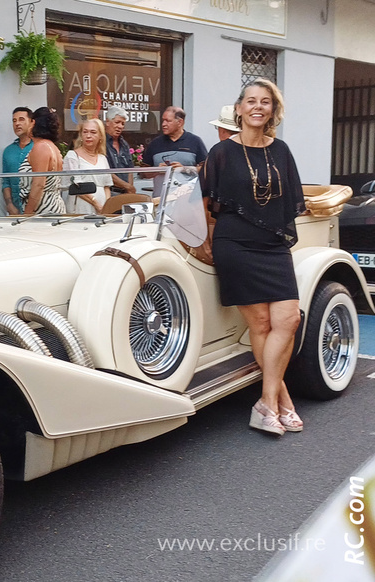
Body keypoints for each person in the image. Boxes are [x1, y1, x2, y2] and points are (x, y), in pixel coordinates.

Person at [199, 78, 306, 436]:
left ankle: (268, 402)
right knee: (260, 324)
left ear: (273, 110)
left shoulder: (281, 150)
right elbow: (203, 200)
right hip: (236, 245)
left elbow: (290, 200)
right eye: (251, 101)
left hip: (273, 245)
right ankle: (280, 404)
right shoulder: (223, 152)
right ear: (239, 108)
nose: (258, 107)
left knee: (288, 320)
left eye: (265, 102)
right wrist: (205, 240)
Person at [19, 107, 65, 214]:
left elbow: (39, 184)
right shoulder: (52, 147)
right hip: (53, 204)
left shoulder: (41, 147)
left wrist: (28, 214)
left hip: (43, 208)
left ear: (33, 123)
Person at [63, 118, 114, 214]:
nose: (88, 136)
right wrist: (96, 203)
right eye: (85, 132)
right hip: (81, 205)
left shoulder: (102, 158)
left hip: (102, 207)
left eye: (93, 132)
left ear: (100, 136)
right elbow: (76, 185)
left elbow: (106, 186)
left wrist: (106, 205)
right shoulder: (72, 156)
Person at [143, 106, 208, 170]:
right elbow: (143, 172)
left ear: (180, 122)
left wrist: (184, 169)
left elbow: (205, 169)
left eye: (168, 121)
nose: (163, 124)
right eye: (163, 120)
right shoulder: (155, 143)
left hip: (186, 180)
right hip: (161, 180)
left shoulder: (195, 141)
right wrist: (157, 170)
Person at [1, 107, 33, 215]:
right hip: (15, 211)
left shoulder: (39, 147)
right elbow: (5, 181)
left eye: (21, 119)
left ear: (31, 122)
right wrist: (9, 205)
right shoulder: (8, 151)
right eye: (14, 121)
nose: (17, 124)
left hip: (37, 209)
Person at [104, 106, 136, 194]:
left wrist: (129, 189)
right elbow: (105, 172)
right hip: (109, 192)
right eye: (117, 122)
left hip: (125, 192)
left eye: (122, 123)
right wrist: (128, 186)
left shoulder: (124, 144)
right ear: (107, 122)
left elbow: (130, 169)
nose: (120, 126)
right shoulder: (101, 143)